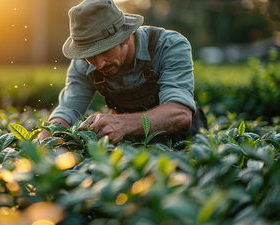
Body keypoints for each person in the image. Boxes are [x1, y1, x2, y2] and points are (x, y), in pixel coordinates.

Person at [39, 0, 207, 145]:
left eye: (104, 51)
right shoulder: (82, 64)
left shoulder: (168, 46)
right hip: (132, 146)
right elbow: (68, 111)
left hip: (185, 142)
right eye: (90, 56)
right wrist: (47, 140)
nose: (98, 64)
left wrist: (123, 124)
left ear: (126, 36)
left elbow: (179, 114)